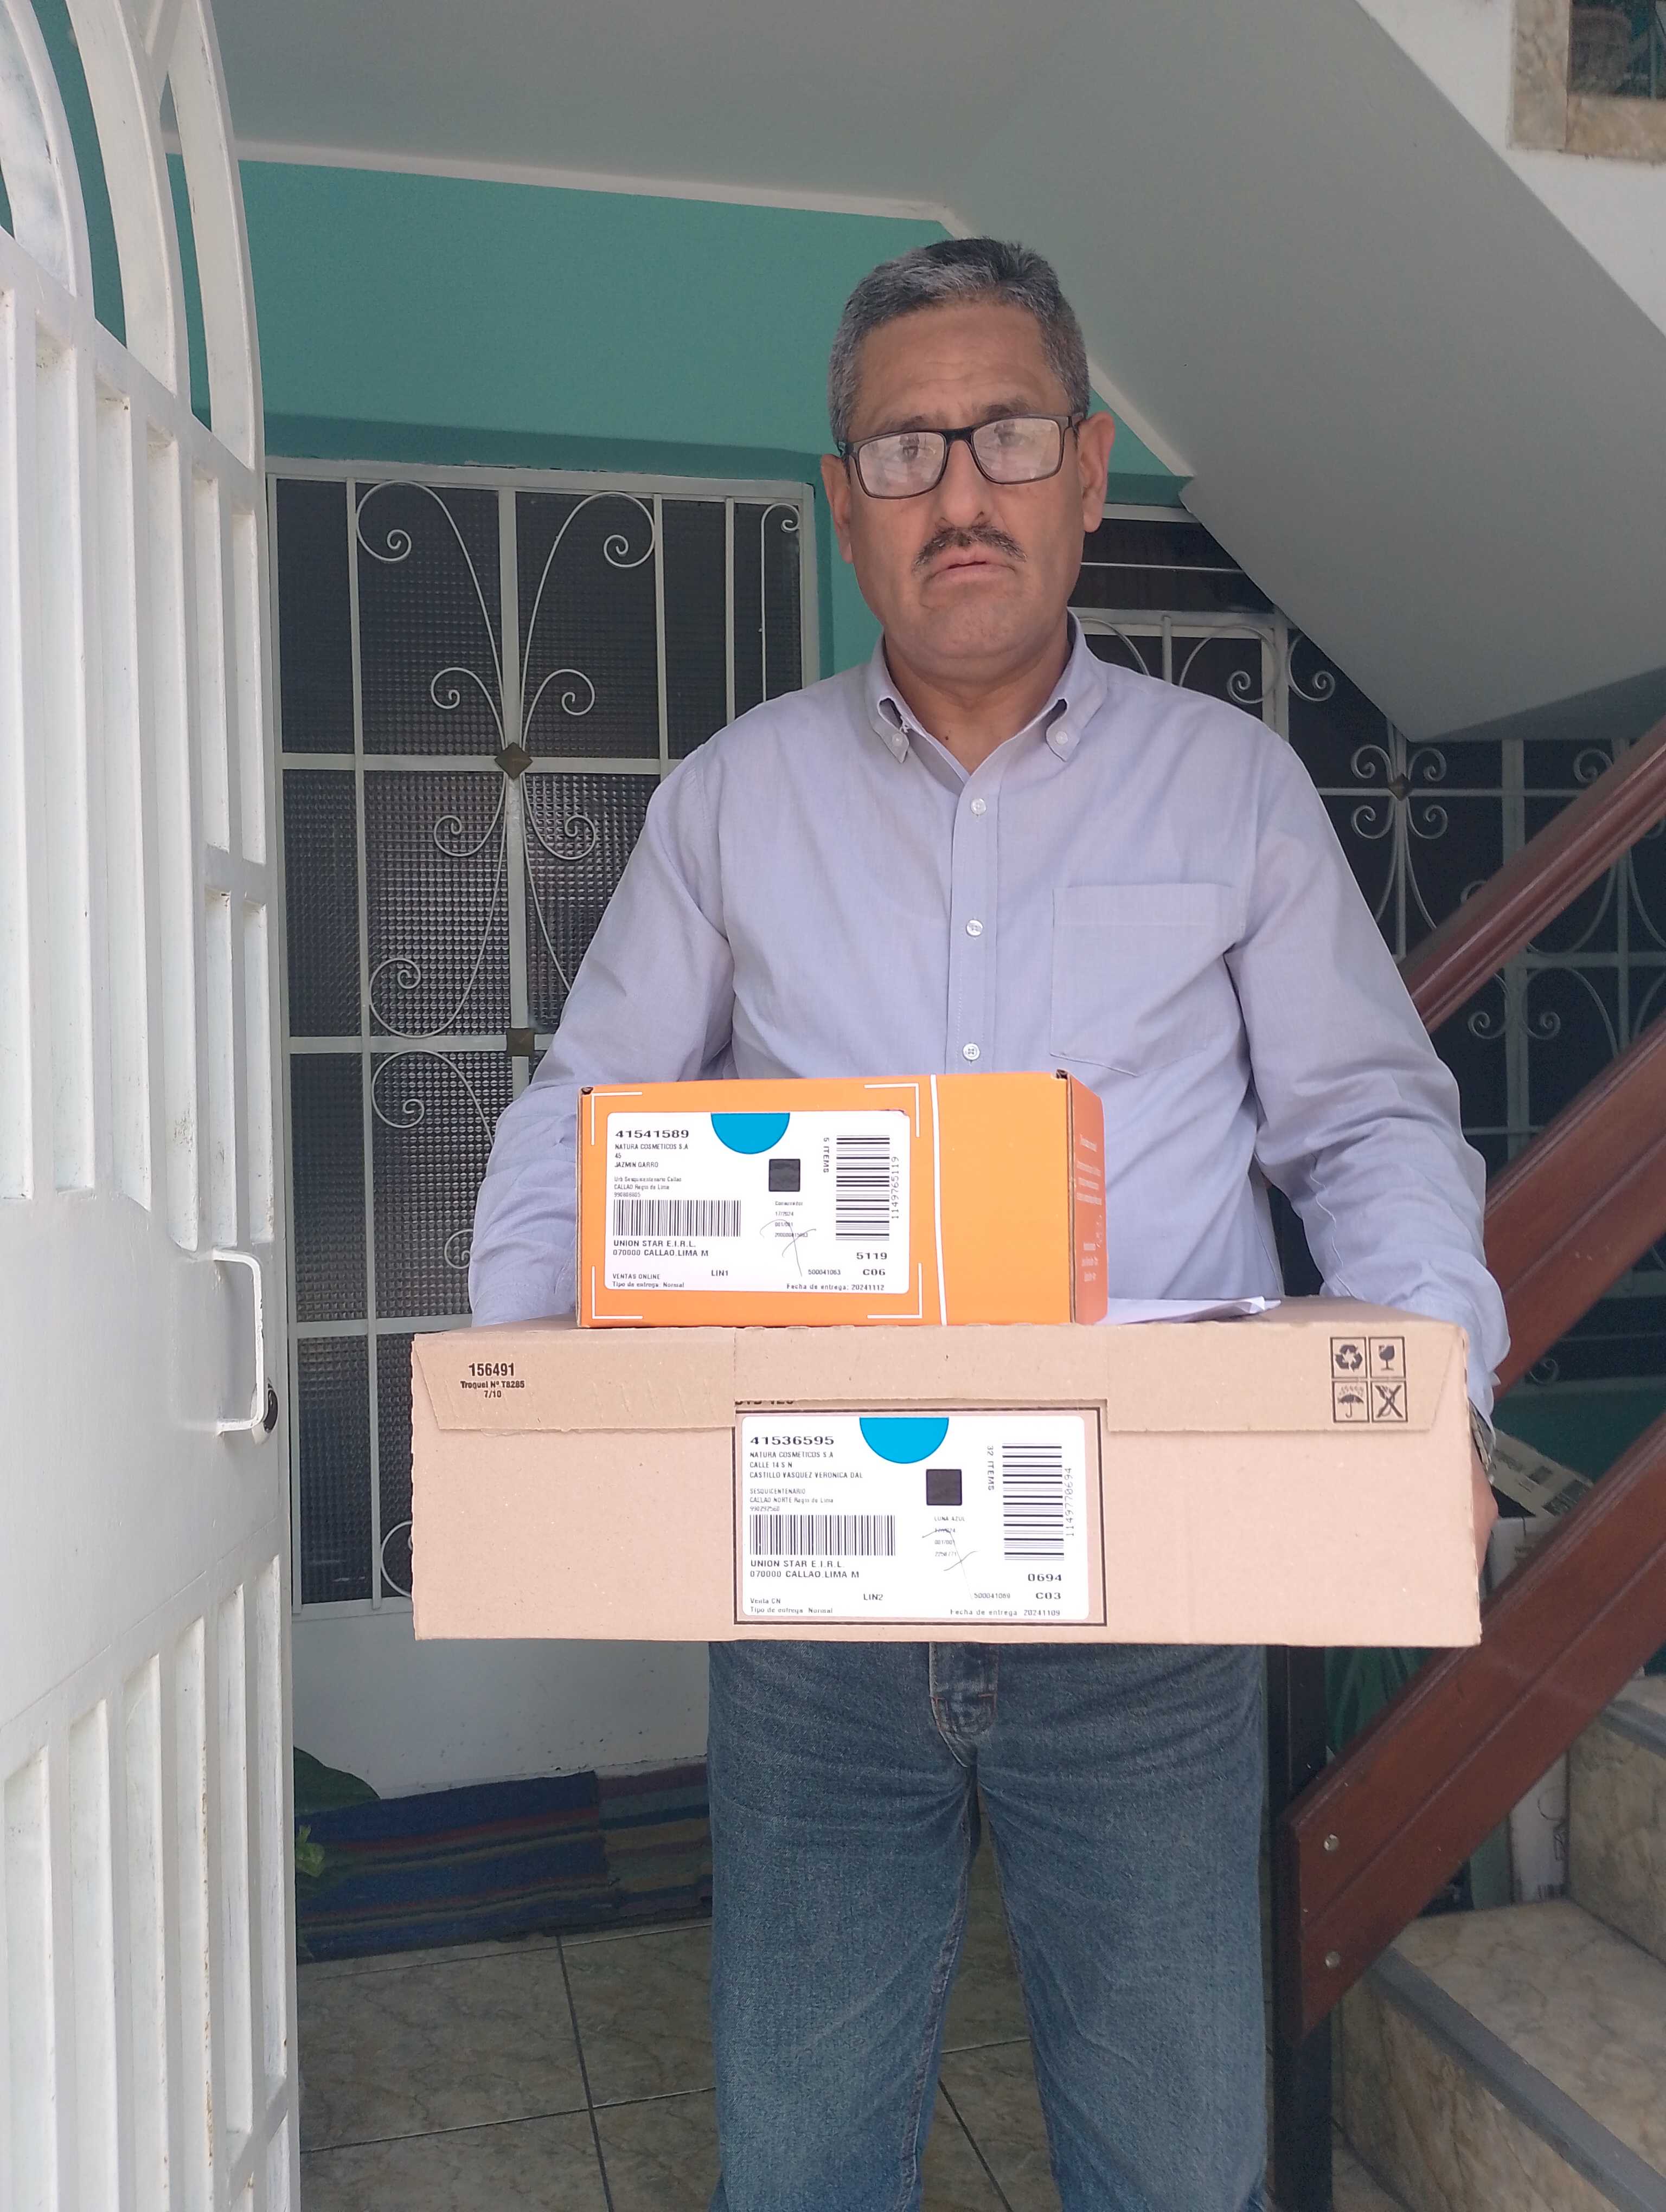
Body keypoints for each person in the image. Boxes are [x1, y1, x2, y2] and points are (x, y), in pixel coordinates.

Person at [469, 237, 1506, 2212]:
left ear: (1090, 471)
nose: (959, 489)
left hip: (1153, 1599)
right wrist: (522, 1397)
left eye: (1007, 434)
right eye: (903, 448)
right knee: (803, 2160)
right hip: (819, 1602)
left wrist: (1432, 1388)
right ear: (841, 504)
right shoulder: (730, 806)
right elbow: (584, 1117)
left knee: (1175, 2166)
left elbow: (1367, 1122)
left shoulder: (1236, 794)